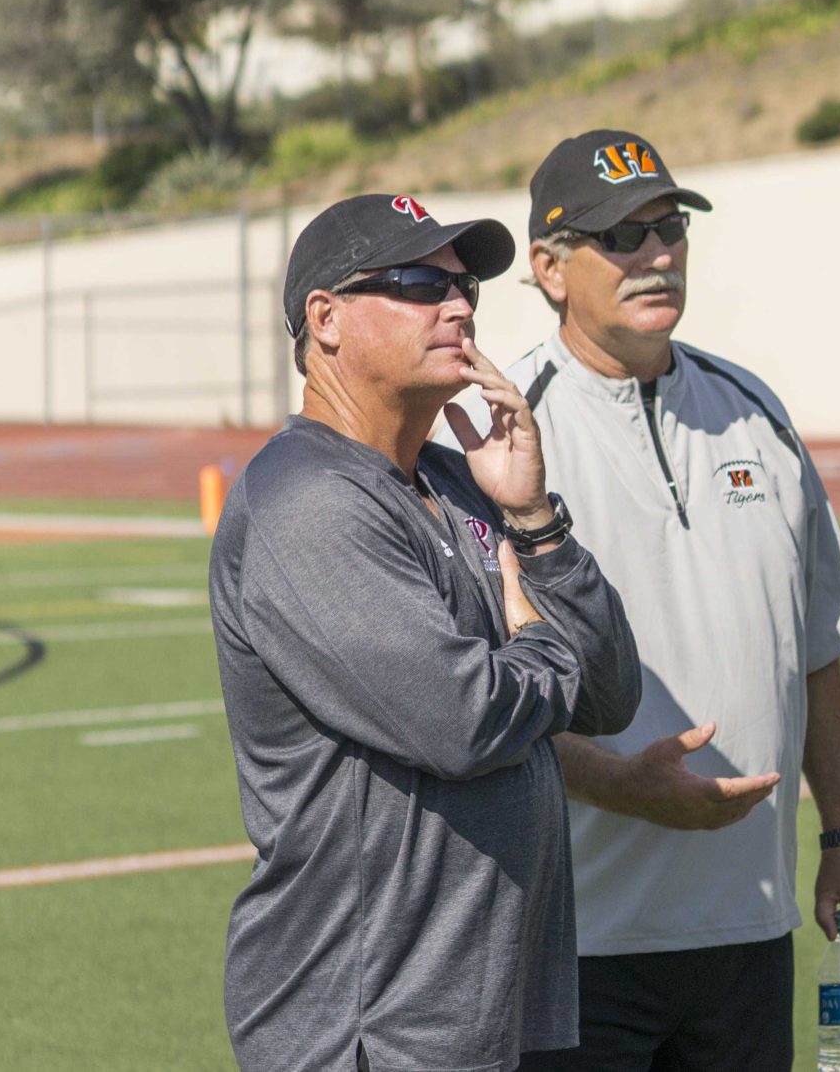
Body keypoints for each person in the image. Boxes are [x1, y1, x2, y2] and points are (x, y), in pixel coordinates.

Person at [437, 131, 840, 1070]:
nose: (656, 255)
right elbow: (470, 695)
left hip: (748, 927)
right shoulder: (499, 426)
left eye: (668, 228)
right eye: (622, 236)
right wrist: (618, 785)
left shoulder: (754, 408)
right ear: (550, 269)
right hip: (575, 943)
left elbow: (813, 649)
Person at [209, 193, 641, 1072]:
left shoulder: (460, 478)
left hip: (487, 1013)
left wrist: (535, 520)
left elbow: (607, 696)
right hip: (371, 1025)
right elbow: (465, 720)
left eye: (467, 286)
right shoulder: (307, 502)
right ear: (324, 320)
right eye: (417, 283)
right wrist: (538, 645)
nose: (459, 307)